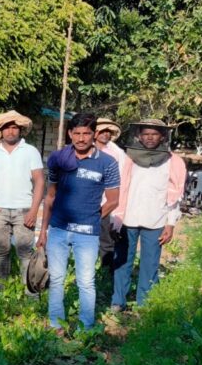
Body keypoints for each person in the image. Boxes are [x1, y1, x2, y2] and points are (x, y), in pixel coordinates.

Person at [37, 113, 120, 331]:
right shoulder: (58, 159)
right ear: (69, 134)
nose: (81, 138)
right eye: (77, 133)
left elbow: (113, 200)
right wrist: (43, 230)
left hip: (87, 234)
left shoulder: (107, 163)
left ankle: (86, 328)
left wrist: (92, 217)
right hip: (58, 230)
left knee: (86, 282)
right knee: (56, 279)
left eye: (86, 133)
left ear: (94, 134)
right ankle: (56, 324)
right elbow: (50, 197)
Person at [110, 119, 186, 311]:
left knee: (150, 264)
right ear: (139, 135)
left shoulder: (173, 162)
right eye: (146, 134)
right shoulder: (127, 159)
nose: (150, 138)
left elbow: (174, 196)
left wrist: (170, 223)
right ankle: (118, 301)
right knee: (122, 261)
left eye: (154, 134)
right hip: (127, 219)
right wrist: (114, 219)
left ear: (162, 136)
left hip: (156, 220)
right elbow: (117, 189)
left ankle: (144, 303)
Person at [0, 111, 45, 289]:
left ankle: (30, 292)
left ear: (20, 130)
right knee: (0, 252)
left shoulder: (30, 151)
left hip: (24, 210)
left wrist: (34, 211)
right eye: (6, 128)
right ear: (1, 131)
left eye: (14, 127)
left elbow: (39, 181)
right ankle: (1, 290)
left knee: (25, 252)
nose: (10, 131)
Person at [95, 117, 127, 270]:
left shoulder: (116, 153)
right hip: (88, 201)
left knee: (106, 240)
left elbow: (122, 177)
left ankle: (105, 272)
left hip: (107, 202)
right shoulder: (86, 149)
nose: (105, 134)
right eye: (102, 131)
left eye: (108, 132)